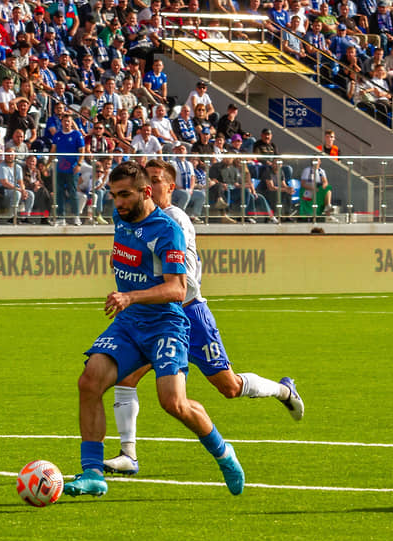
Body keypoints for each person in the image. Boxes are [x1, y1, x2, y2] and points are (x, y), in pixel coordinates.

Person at [102, 160, 305, 476]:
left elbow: (183, 283)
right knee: (126, 376)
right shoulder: (136, 221)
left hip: (189, 314)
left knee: (229, 386)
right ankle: (128, 453)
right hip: (153, 317)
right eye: (149, 180)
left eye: (157, 181)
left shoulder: (174, 223)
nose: (151, 186)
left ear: (170, 187)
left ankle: (283, 391)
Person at [63, 161, 245, 499]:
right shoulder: (122, 219)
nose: (117, 203)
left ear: (146, 192)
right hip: (131, 324)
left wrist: (129, 295)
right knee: (89, 381)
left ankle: (224, 453)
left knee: (173, 403)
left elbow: (177, 289)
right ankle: (92, 474)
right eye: (114, 195)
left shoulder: (167, 230)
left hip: (166, 325)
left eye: (125, 195)